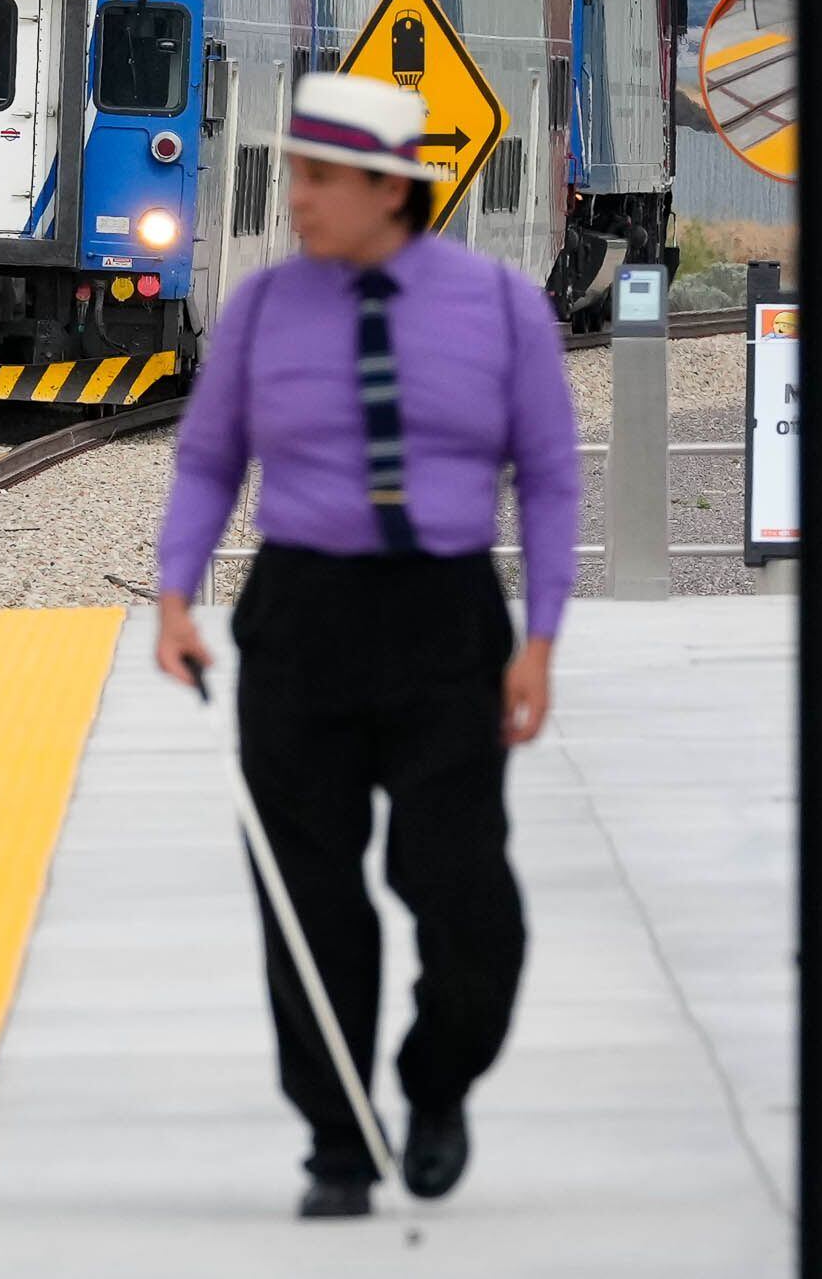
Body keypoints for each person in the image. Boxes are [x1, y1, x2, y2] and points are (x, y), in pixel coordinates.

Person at [154, 70, 581, 1219]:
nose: (295, 196)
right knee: (307, 897)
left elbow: (545, 478)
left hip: (445, 623)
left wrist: (538, 639)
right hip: (299, 621)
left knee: (462, 893)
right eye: (292, 172)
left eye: (319, 177)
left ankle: (434, 1082)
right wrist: (175, 594)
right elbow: (208, 460)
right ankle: (338, 1139)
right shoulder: (257, 309)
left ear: (393, 189)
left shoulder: (498, 307)